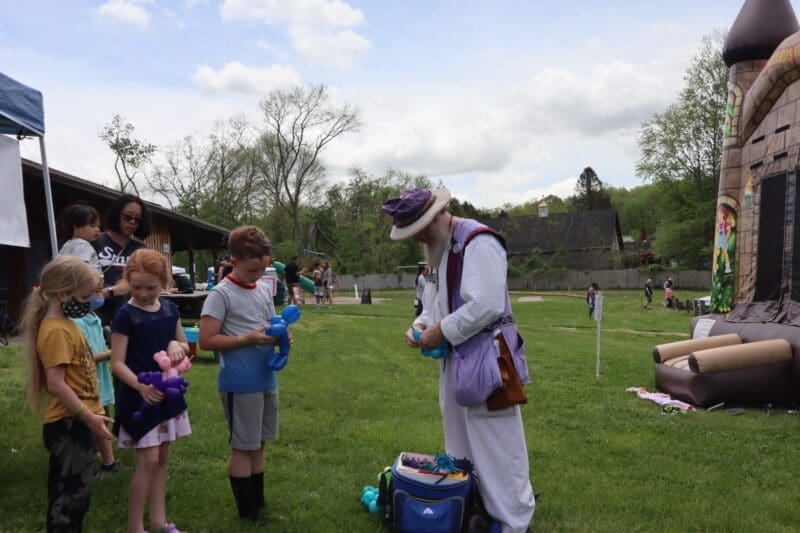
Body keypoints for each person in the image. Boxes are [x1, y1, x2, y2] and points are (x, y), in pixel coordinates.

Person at [382, 187, 535, 532]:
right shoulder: (439, 249)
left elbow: (487, 304)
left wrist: (443, 331)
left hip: (489, 361)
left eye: (420, 227)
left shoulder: (479, 242)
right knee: (459, 441)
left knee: (497, 442)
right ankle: (474, 508)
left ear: (437, 215)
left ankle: (513, 521)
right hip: (457, 360)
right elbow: (435, 303)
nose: (418, 236)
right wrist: (420, 325)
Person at [20, 255, 114, 531]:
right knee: (68, 498)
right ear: (62, 294)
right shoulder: (56, 331)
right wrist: (89, 416)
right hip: (69, 425)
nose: (88, 302)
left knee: (77, 494)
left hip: (77, 422)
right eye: (84, 296)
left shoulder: (67, 325)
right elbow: (57, 384)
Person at [199, 226, 283, 524]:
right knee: (243, 445)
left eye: (262, 268)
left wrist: (280, 337)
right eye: (251, 270)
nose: (257, 276)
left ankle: (259, 504)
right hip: (240, 383)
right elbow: (206, 340)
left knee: (259, 442)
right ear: (234, 261)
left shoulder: (261, 288)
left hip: (265, 378)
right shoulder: (220, 295)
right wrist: (246, 339)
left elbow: (269, 323)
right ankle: (247, 513)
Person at [110, 249, 190, 533]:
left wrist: (175, 346)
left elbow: (184, 345)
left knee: (162, 458)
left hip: (166, 397)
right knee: (148, 460)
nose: (144, 293)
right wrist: (140, 387)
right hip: (138, 398)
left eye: (151, 287)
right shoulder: (125, 315)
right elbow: (117, 363)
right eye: (137, 287)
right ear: (127, 280)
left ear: (164, 282)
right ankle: (135, 527)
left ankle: (159, 521)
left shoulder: (170, 309)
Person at [72, 274, 121, 475]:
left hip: (100, 375)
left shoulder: (93, 317)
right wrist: (115, 351)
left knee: (103, 414)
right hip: (88, 378)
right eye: (96, 292)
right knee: (95, 418)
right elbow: (89, 357)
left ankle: (102, 453)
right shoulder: (77, 322)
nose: (100, 296)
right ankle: (99, 458)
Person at [94, 194, 152, 326]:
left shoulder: (141, 250)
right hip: (96, 310)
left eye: (137, 220)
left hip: (128, 313)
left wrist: (111, 291)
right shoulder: (95, 242)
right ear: (117, 214)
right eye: (127, 217)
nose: (132, 222)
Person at [58, 203, 102, 272]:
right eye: (92, 226)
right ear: (76, 227)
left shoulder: (67, 244)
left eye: (98, 226)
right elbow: (82, 269)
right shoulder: (83, 245)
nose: (97, 229)